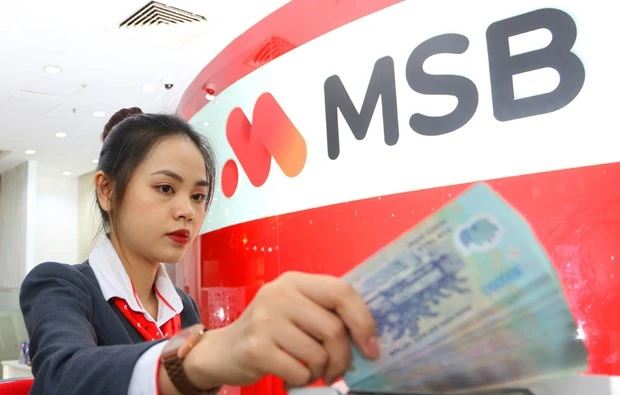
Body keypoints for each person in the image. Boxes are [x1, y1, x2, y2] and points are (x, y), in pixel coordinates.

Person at [19, 108, 379, 395]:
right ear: (107, 191)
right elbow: (60, 377)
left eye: (198, 196)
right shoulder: (59, 284)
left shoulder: (182, 305)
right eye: (164, 188)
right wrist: (208, 352)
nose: (187, 211)